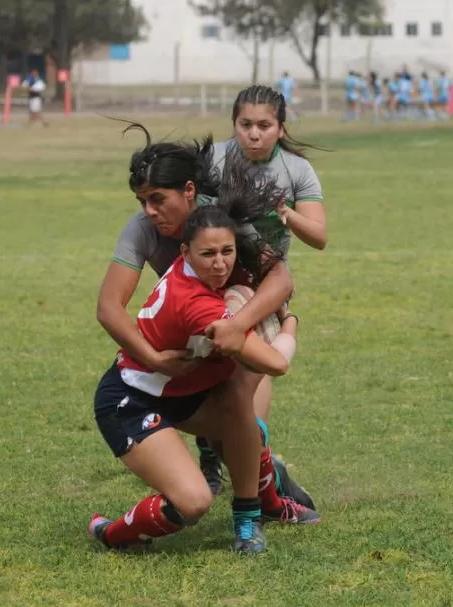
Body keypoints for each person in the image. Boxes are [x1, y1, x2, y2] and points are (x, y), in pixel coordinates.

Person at [96, 122, 321, 521]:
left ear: (188, 191)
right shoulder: (142, 228)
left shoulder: (220, 217)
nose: (148, 210)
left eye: (156, 199)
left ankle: (261, 493)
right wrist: (154, 357)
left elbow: (282, 278)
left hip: (239, 315)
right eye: (141, 200)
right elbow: (110, 308)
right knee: (235, 436)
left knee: (244, 424)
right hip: (196, 327)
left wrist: (241, 323)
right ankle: (258, 481)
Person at [204, 85, 327, 496]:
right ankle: (239, 454)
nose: (253, 134)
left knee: (251, 366)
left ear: (280, 128)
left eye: (263, 125)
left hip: (266, 283)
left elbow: (320, 236)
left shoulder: (296, 170)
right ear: (234, 125)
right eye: (244, 125)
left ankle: (250, 453)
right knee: (220, 368)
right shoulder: (215, 160)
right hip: (214, 281)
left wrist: (285, 213)